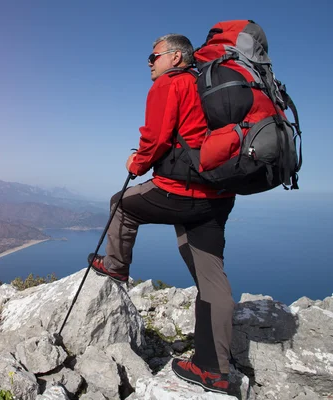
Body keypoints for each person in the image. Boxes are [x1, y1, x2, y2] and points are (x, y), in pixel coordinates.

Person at [88, 34, 236, 395]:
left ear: (175, 56)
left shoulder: (171, 84)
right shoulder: (208, 86)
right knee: (210, 275)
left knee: (121, 203)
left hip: (181, 190)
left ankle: (117, 266)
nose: (149, 63)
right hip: (219, 193)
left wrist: (135, 163)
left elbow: (155, 138)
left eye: (153, 55)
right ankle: (214, 369)